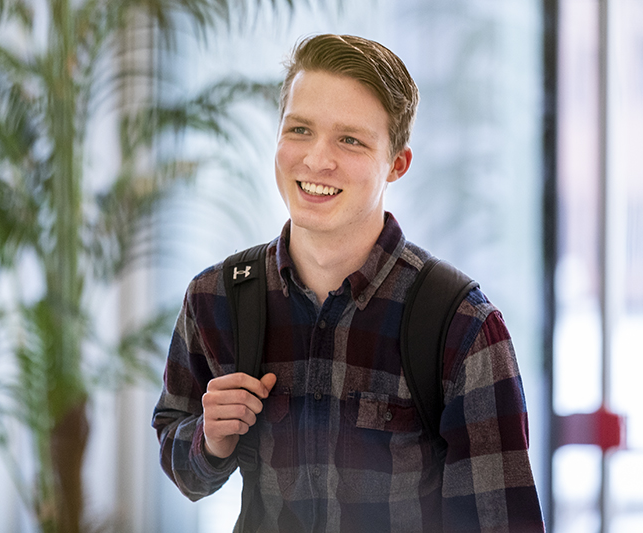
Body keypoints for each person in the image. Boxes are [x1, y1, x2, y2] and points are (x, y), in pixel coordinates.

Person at [152, 33, 545, 532]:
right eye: (299, 130)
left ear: (397, 163)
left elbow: (502, 524)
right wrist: (208, 440)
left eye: (350, 139)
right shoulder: (217, 299)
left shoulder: (462, 326)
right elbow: (181, 461)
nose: (317, 160)